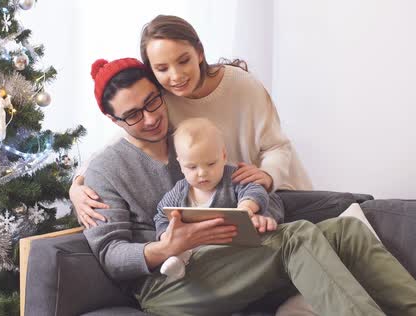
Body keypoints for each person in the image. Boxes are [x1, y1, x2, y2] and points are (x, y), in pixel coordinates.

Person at [83, 56, 416, 315]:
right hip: (169, 286)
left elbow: (262, 197)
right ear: (114, 120)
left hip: (229, 262)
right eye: (133, 114)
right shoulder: (105, 170)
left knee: (345, 231)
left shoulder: (194, 140)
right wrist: (161, 248)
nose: (150, 118)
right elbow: (111, 255)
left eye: (153, 102)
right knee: (297, 237)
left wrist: (260, 211)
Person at [72, 14, 310, 228]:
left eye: (183, 60)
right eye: (162, 68)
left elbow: (277, 145)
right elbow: (122, 138)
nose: (176, 76)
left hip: (278, 193)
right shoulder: (160, 103)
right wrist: (77, 184)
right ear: (152, 71)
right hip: (235, 210)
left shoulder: (241, 85)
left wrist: (268, 176)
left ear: (199, 52)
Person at [154, 117, 282, 283]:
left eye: (211, 164)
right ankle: (178, 263)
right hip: (195, 250)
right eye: (192, 167)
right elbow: (161, 214)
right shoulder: (179, 191)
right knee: (181, 247)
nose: (202, 173)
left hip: (230, 248)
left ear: (223, 156)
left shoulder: (233, 178)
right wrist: (165, 234)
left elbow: (255, 189)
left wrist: (246, 207)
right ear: (180, 164)